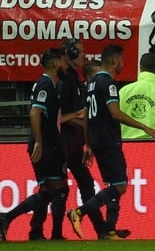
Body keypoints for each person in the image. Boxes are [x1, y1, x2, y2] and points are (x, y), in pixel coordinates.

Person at [67, 45, 155, 241]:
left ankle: (109, 230)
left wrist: (89, 145)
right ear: (114, 61)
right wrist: (144, 127)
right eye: (123, 60)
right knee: (120, 186)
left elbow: (87, 117)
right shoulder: (107, 82)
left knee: (112, 186)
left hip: (97, 141)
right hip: (109, 140)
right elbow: (115, 112)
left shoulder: (91, 83)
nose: (124, 64)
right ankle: (79, 212)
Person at [0, 49, 75, 242]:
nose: (67, 66)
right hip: (48, 145)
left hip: (46, 143)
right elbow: (34, 113)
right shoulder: (45, 86)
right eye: (64, 63)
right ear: (57, 63)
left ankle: (19, 224)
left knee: (47, 191)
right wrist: (40, 142)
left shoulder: (47, 85)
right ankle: (56, 235)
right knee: (59, 190)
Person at [56, 39, 106, 239]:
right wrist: (81, 120)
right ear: (71, 51)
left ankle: (101, 230)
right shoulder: (65, 80)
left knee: (84, 184)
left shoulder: (73, 77)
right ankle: (51, 233)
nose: (84, 55)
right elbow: (58, 115)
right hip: (62, 143)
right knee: (56, 190)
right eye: (82, 51)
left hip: (73, 143)